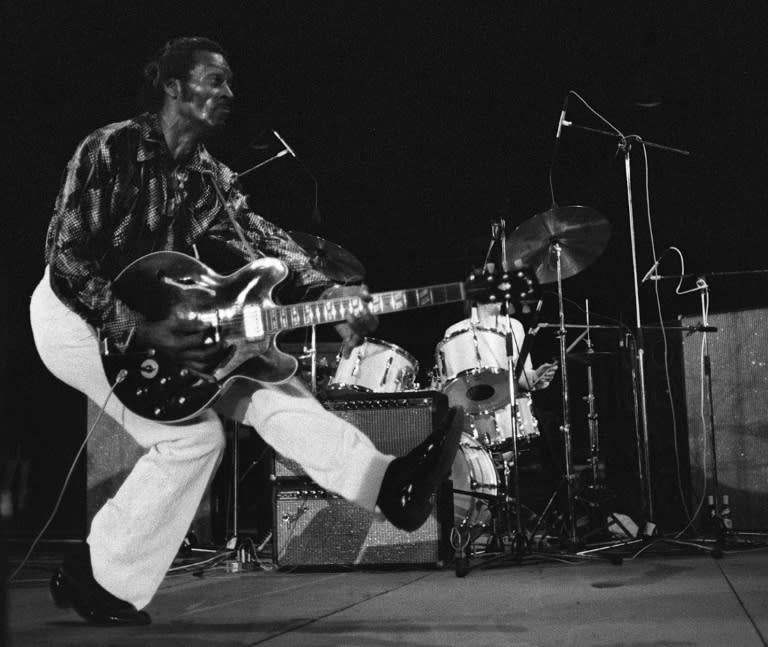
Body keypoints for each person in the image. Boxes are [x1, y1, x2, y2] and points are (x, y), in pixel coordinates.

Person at [30, 37, 462, 626]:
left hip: (166, 330)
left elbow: (257, 239)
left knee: (267, 388)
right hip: (74, 320)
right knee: (194, 437)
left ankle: (388, 486)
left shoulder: (207, 176)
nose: (229, 93)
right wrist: (137, 326)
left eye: (229, 82)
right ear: (173, 86)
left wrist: (322, 291)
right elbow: (68, 255)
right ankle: (96, 576)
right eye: (215, 80)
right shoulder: (110, 149)